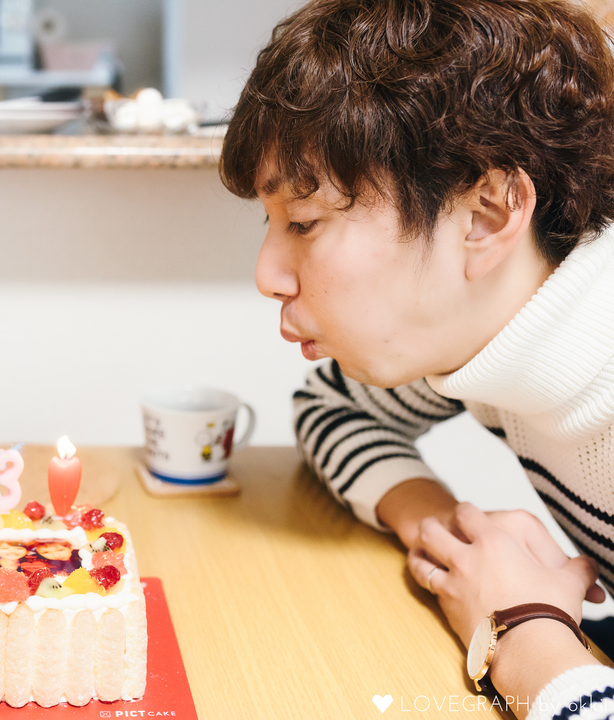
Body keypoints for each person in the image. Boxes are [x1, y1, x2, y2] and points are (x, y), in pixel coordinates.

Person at [221, 0, 614, 717]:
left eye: (303, 223)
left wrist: (520, 626)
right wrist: (452, 540)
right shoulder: (487, 334)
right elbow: (331, 406)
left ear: (487, 214)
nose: (267, 274)